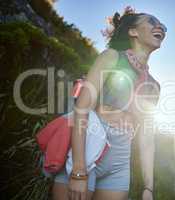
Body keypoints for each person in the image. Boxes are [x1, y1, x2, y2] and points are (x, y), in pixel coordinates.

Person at [51, 6, 167, 200]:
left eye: (163, 25)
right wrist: (79, 170)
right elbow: (81, 108)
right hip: (89, 147)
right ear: (133, 31)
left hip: (120, 160)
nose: (161, 27)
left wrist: (149, 188)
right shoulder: (112, 57)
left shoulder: (154, 85)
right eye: (152, 22)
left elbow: (146, 139)